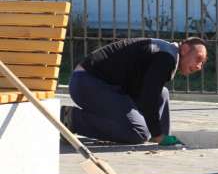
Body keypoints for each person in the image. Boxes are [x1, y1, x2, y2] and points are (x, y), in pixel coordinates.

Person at [60, 37, 207, 145]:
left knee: (162, 93)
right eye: (198, 59)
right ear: (185, 49)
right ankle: (71, 119)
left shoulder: (164, 53)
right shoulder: (166, 58)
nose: (199, 67)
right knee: (138, 132)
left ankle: (163, 139)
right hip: (87, 84)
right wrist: (154, 133)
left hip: (99, 84)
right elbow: (148, 98)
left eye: (202, 64)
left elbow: (146, 93)